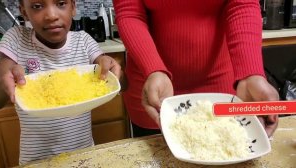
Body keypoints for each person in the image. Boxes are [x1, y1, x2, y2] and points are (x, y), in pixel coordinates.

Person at [113, 0, 278, 137]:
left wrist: (250, 74)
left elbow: (242, 4)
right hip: (155, 91)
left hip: (219, 90)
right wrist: (153, 68)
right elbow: (130, 12)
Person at [0, 0, 121, 164]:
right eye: (37, 6)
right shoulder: (16, 39)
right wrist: (4, 82)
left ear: (73, 7)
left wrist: (111, 67)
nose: (51, 16)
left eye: (61, 3)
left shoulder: (83, 41)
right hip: (36, 161)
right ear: (24, 12)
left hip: (84, 156)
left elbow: (115, 77)